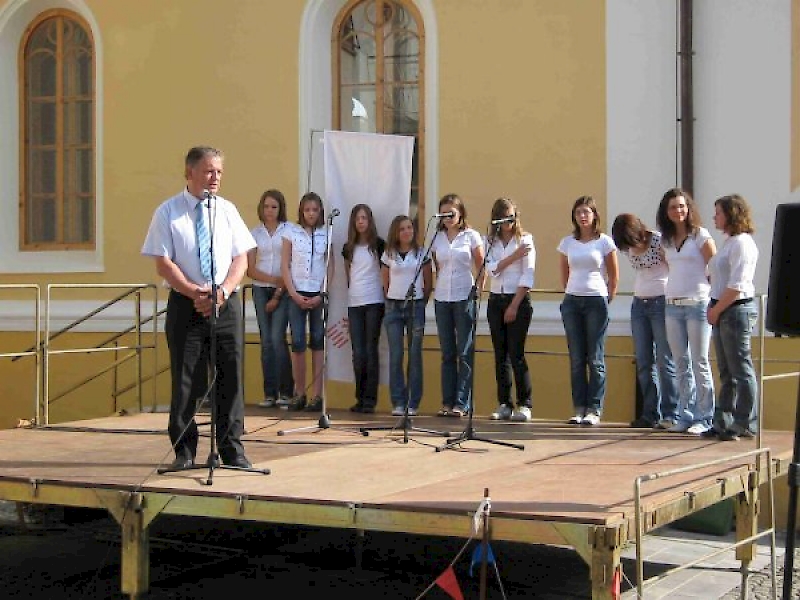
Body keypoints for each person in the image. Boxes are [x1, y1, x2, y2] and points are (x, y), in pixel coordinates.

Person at [141, 146, 255, 470]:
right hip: (186, 304)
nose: (215, 177)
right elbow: (163, 263)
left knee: (230, 376)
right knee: (186, 379)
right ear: (190, 172)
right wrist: (195, 293)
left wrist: (223, 291)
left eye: (219, 171)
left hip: (225, 303)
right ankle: (184, 451)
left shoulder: (227, 210)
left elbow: (241, 258)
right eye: (208, 171)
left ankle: (231, 450)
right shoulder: (168, 212)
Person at [656, 187, 716, 435]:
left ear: (688, 208)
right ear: (666, 212)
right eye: (673, 207)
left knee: (699, 361)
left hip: (698, 305)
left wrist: (714, 301)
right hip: (672, 305)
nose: (678, 211)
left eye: (681, 206)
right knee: (680, 362)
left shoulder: (700, 235)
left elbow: (715, 268)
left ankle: (705, 417)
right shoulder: (666, 240)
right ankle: (685, 415)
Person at [611, 213, 679, 429]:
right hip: (639, 303)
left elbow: (674, 268)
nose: (631, 247)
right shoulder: (628, 248)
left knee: (665, 359)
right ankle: (650, 413)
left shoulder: (658, 241)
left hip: (660, 301)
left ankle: (671, 413)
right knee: (643, 360)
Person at [558, 196, 618, 426]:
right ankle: (579, 408)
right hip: (573, 302)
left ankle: (594, 408)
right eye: (578, 212)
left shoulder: (604, 242)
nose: (582, 216)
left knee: (595, 358)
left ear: (594, 215)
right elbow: (565, 273)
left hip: (596, 301)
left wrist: (607, 297)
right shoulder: (567, 243)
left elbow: (613, 275)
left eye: (586, 212)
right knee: (576, 358)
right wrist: (572, 292)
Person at [704, 194, 759, 441]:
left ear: (731, 214)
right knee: (726, 371)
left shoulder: (742, 244)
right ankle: (723, 420)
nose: (715, 217)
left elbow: (738, 284)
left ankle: (744, 421)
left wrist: (717, 310)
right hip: (721, 307)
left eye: (719, 212)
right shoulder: (728, 242)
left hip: (735, 309)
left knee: (740, 369)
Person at [431, 194, 485, 417]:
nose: (448, 217)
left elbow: (481, 265)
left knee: (464, 352)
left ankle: (462, 403)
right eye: (444, 213)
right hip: (442, 297)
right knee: (447, 353)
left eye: (451, 212)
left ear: (460, 212)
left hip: (464, 295)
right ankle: (447, 402)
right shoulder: (437, 238)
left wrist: (478, 290)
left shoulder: (471, 236)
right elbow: (436, 266)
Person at [485, 198, 535, 422]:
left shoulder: (525, 239)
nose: (509, 221)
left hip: (518, 300)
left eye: (512, 216)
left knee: (516, 353)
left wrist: (514, 305)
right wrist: (514, 257)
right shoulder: (490, 242)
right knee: (500, 355)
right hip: (496, 300)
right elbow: (491, 270)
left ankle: (525, 404)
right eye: (504, 217)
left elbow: (528, 274)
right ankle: (504, 403)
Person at [282, 191, 331, 412]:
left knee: (318, 341)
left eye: (315, 210)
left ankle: (317, 395)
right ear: (301, 211)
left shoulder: (326, 233)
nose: (311, 214)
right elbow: (285, 264)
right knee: (298, 342)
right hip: (296, 292)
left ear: (320, 212)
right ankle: (299, 393)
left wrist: (322, 293)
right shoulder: (290, 231)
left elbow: (330, 265)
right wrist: (293, 293)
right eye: (307, 210)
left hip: (318, 293)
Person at [247, 189, 294, 408]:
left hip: (283, 291)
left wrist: (279, 287)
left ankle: (286, 391)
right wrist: (273, 279)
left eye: (274, 206)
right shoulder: (254, 233)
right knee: (266, 341)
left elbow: (291, 265)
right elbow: (250, 269)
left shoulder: (289, 230)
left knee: (277, 338)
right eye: (266, 206)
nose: (269, 211)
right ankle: (270, 393)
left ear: (280, 208)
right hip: (260, 289)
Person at [381, 215, 432, 416]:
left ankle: (413, 402)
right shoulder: (389, 254)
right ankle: (398, 402)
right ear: (396, 232)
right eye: (402, 229)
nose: (406, 232)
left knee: (414, 354)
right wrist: (390, 297)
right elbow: (385, 281)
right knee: (396, 355)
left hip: (415, 306)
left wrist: (421, 301)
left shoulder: (421, 253)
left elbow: (428, 282)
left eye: (409, 227)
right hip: (393, 307)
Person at [342, 204, 386, 414]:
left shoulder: (378, 245)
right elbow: (348, 274)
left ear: (370, 221)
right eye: (357, 218)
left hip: (374, 301)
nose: (360, 222)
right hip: (355, 303)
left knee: (370, 350)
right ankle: (359, 398)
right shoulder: (348, 248)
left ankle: (370, 400)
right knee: (357, 353)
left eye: (364, 218)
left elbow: (384, 272)